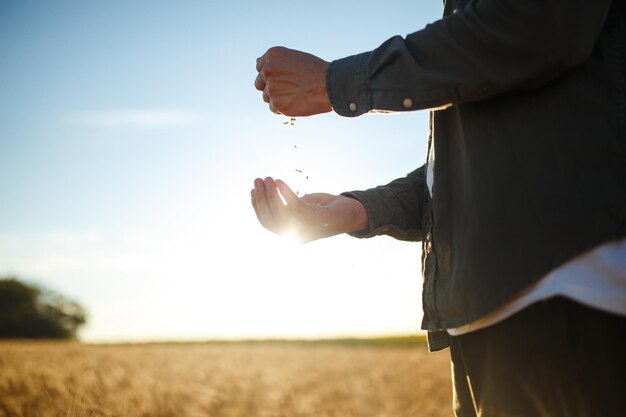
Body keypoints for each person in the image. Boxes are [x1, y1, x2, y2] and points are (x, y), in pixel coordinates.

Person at [251, 1, 626, 416]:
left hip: (568, 291)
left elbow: (537, 24)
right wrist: (356, 211)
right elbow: (462, 171)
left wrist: (334, 82)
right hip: (480, 317)